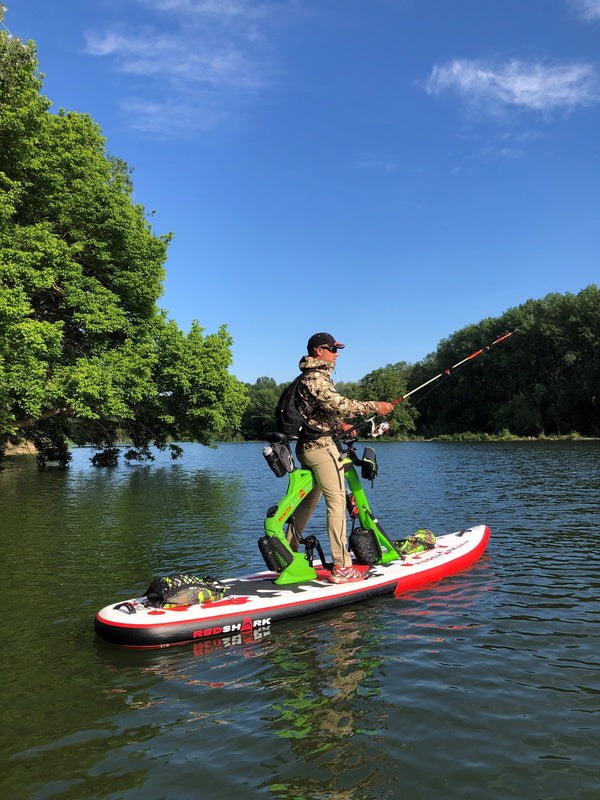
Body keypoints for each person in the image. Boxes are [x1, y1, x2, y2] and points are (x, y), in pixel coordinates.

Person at [286, 332, 393, 584]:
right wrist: (374, 406)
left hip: (309, 447)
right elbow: (338, 404)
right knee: (336, 503)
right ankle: (342, 567)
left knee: (309, 502)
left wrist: (341, 426)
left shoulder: (310, 377)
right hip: (321, 449)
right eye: (332, 348)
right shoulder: (315, 377)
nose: (336, 354)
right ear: (317, 351)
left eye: (337, 349)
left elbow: (320, 415)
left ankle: (287, 555)